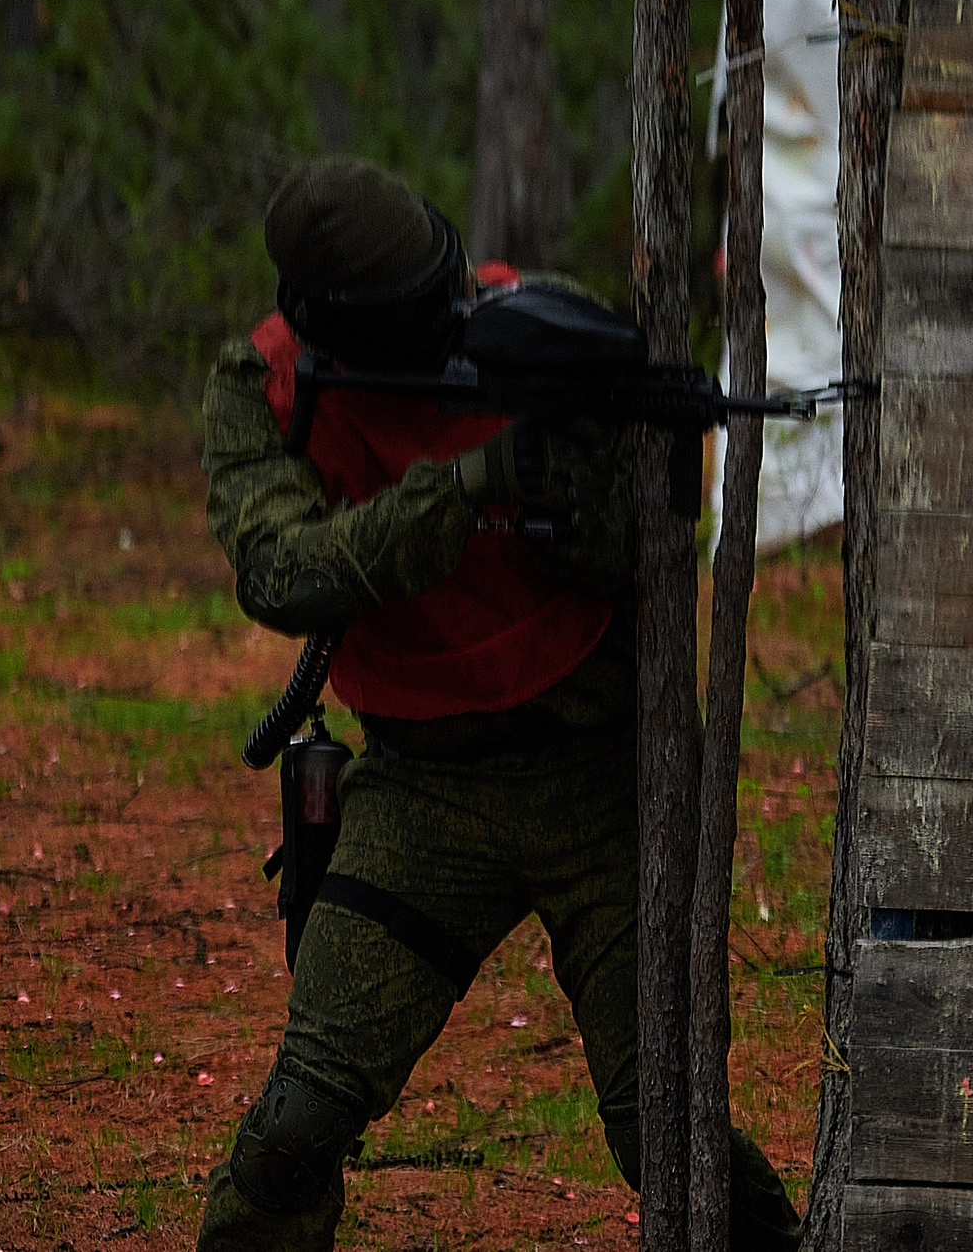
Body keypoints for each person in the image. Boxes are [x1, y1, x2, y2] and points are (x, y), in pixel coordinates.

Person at [195, 158, 801, 1250]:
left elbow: (642, 553)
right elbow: (281, 574)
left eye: (451, 289)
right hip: (424, 793)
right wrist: (471, 483)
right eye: (421, 316)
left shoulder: (546, 338)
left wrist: (584, 503)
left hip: (600, 779)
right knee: (296, 1125)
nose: (454, 319)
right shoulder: (266, 385)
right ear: (332, 326)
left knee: (660, 1131)